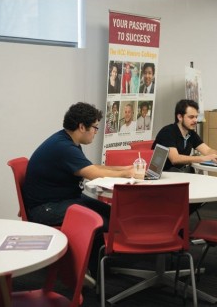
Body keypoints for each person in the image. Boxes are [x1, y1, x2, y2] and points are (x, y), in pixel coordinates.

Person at [23, 102, 134, 278]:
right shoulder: (64, 147)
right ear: (82, 127)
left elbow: (91, 167)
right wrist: (127, 174)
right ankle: (88, 271)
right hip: (46, 209)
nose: (96, 132)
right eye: (95, 128)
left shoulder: (68, 141)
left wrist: (125, 169)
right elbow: (94, 174)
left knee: (111, 214)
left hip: (63, 200)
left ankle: (96, 265)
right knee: (100, 222)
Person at [153, 99, 217, 173]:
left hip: (179, 173)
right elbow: (175, 159)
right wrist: (204, 158)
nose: (195, 120)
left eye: (196, 117)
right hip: (163, 175)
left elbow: (207, 150)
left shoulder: (191, 133)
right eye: (191, 117)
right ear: (180, 117)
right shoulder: (167, 132)